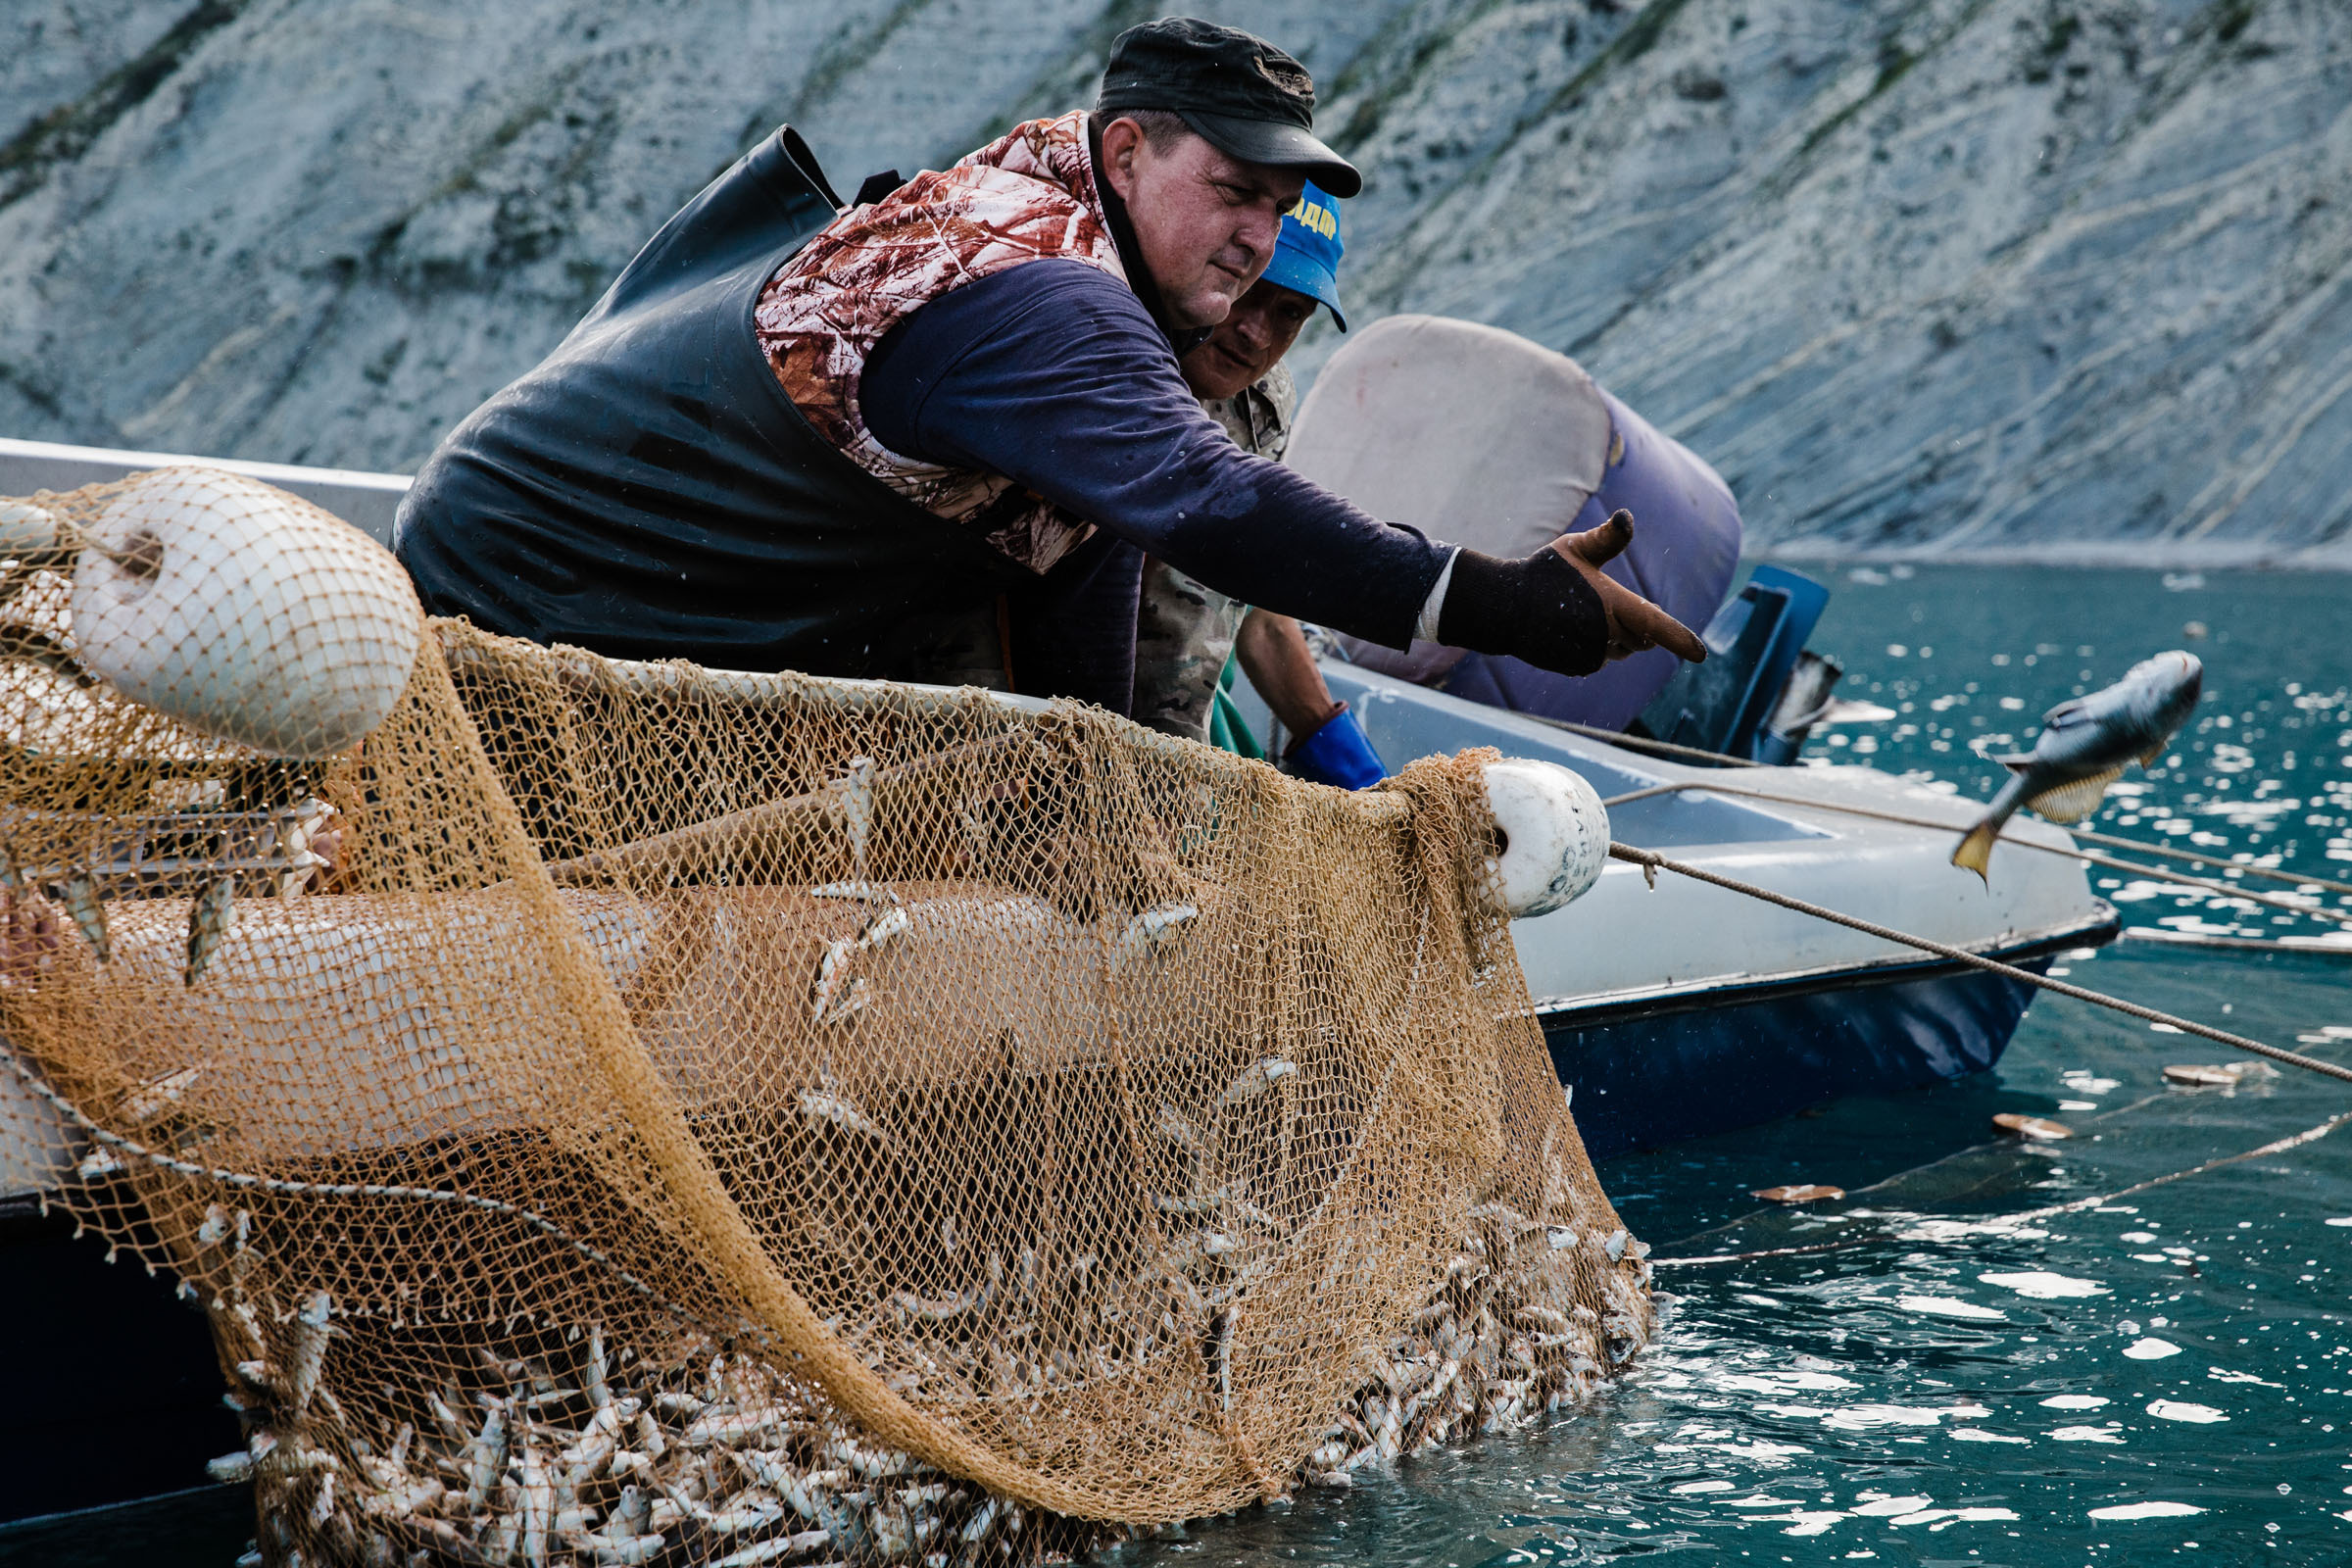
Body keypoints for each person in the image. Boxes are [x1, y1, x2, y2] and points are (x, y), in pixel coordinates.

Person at [393, 19, 1701, 730]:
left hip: (665, 613)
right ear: (1126, 151)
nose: (1256, 239)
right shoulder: (1032, 284)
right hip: (531, 614)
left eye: (1281, 206)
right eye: (1234, 191)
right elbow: (1202, 501)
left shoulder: (1069, 259)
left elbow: (1093, 542)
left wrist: (1105, 797)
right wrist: (1502, 602)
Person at [1133, 180, 1385, 788]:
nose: (1255, 332)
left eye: (1290, 313)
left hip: (1179, 721)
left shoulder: (1264, 403)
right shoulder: (1125, 360)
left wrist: (1356, 773)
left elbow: (1262, 609)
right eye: (1251, 294)